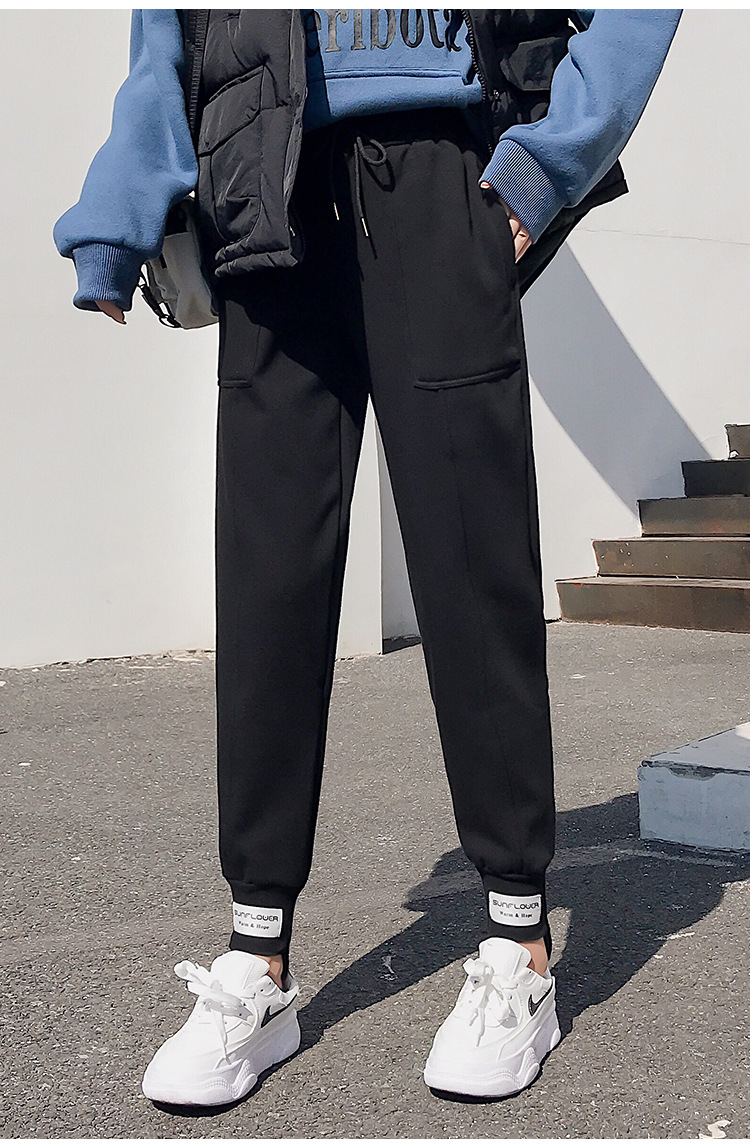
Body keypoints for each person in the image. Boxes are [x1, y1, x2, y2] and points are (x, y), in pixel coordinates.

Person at [54, 8, 681, 1106]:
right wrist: (119, 210)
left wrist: (553, 159)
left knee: (471, 561)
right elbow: (167, 30)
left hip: (442, 168)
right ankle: (256, 959)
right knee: (268, 583)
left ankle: (519, 943)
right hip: (262, 188)